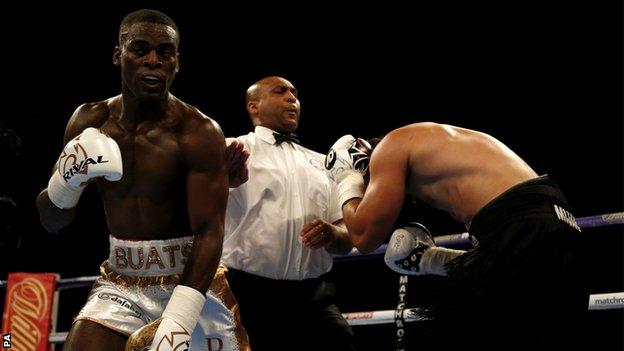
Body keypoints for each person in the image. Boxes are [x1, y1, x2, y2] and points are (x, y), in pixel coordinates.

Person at [36, 9, 248, 351]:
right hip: (122, 281)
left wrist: (179, 319)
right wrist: (66, 180)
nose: (153, 60)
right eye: (140, 49)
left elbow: (210, 232)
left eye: (165, 52)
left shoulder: (198, 132)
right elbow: (52, 222)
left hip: (193, 280)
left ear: (176, 62)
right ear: (119, 55)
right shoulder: (90, 121)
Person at [325, 123, 584, 349]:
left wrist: (347, 177)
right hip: (561, 224)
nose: (370, 197)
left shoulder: (390, 147)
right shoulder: (436, 144)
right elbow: (512, 255)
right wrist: (429, 259)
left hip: (521, 224)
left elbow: (364, 236)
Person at [214, 76, 356, 351]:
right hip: (246, 294)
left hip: (314, 295)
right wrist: (220, 182)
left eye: (294, 93)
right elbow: (190, 210)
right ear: (253, 107)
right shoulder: (231, 149)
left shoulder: (321, 163)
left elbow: (347, 235)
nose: (292, 97)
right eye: (280, 91)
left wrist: (332, 232)